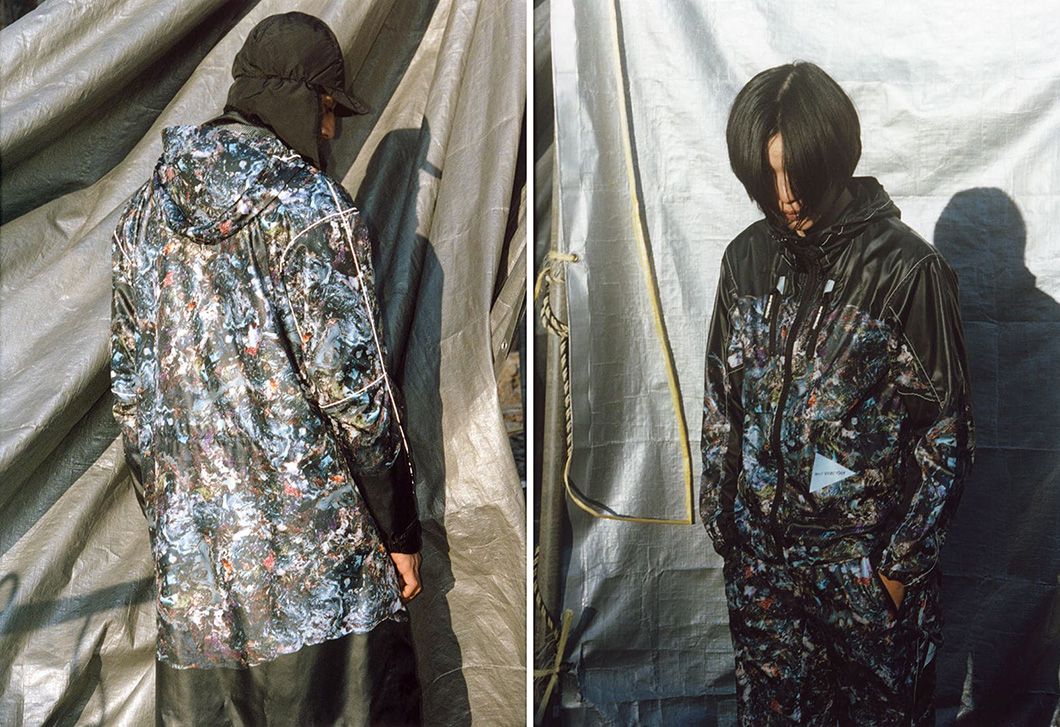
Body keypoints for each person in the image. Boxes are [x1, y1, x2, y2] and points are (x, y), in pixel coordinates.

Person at [110, 12, 422, 725]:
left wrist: (180, 533)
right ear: (299, 100)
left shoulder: (141, 218)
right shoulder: (313, 211)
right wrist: (400, 532)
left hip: (201, 596)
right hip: (324, 592)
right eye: (329, 110)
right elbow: (358, 400)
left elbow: (131, 402)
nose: (331, 132)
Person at [699, 61, 974, 725]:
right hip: (763, 577)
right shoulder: (745, 260)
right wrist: (725, 522)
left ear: (836, 155)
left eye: (798, 172)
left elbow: (946, 435)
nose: (786, 196)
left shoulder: (907, 271)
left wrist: (894, 572)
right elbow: (721, 402)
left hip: (863, 579)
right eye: (767, 176)